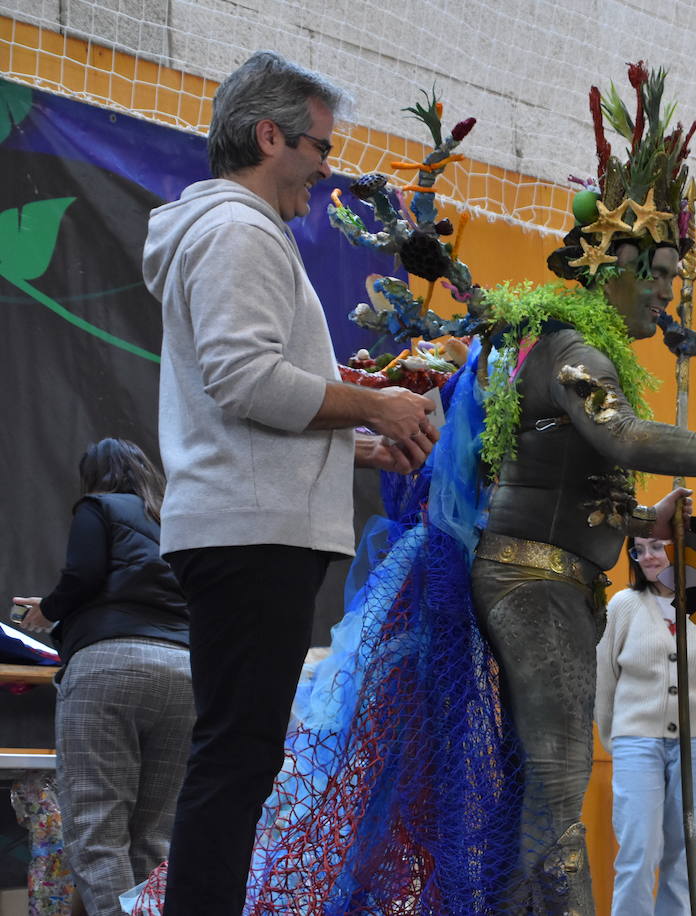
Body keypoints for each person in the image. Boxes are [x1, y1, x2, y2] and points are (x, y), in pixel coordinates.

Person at [469, 62, 696, 912]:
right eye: (661, 270)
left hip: (558, 579)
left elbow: (577, 473)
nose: (672, 290)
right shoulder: (574, 352)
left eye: (677, 273)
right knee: (557, 784)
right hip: (533, 581)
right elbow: (623, 435)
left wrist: (639, 514)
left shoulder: (586, 354)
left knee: (546, 781)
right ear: (611, 264)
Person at [141, 50, 438, 915]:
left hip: (247, 522)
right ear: (269, 136)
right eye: (317, 147)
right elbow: (247, 381)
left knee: (240, 757)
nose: (325, 169)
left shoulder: (229, 230)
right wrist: (375, 405)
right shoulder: (239, 232)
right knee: (236, 760)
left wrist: (353, 441)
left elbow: (243, 406)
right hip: (250, 533)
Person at [12, 438, 193, 916]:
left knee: (98, 831)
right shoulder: (178, 517)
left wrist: (47, 611)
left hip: (109, 666)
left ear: (93, 477)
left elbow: (85, 575)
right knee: (154, 836)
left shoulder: (99, 506)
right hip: (186, 670)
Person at [595, 536, 696, 915]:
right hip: (634, 740)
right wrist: (617, 737)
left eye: (656, 546)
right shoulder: (623, 606)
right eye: (638, 550)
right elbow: (604, 680)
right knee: (638, 849)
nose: (648, 557)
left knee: (686, 851)